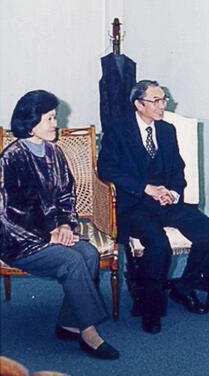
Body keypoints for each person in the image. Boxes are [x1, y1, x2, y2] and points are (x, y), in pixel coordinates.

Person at [0, 90, 119, 360]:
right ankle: (89, 334)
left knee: (88, 253)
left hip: (54, 232)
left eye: (55, 117)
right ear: (31, 121)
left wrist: (65, 226)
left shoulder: (54, 151)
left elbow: (67, 194)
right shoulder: (12, 157)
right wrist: (48, 235)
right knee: (72, 261)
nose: (56, 123)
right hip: (18, 239)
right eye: (50, 118)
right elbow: (9, 212)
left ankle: (68, 324)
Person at [97, 80, 209, 334]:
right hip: (134, 205)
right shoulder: (117, 130)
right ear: (138, 104)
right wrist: (146, 188)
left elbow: (178, 168)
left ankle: (183, 287)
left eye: (164, 99)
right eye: (156, 100)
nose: (163, 105)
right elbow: (107, 169)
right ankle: (151, 310)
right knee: (158, 244)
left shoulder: (167, 130)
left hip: (166, 201)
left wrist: (174, 192)